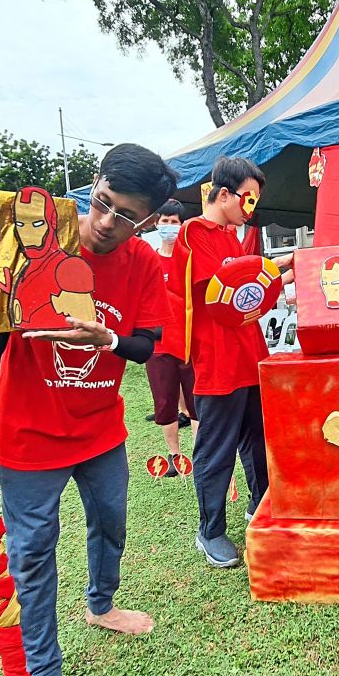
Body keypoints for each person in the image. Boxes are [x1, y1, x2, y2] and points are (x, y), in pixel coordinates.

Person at [0, 144, 177, 676]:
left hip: (101, 430)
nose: (107, 223)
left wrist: (107, 337)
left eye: (128, 216)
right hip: (29, 430)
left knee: (111, 522)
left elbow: (148, 343)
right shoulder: (37, 241)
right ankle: (44, 667)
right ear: (95, 182)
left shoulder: (145, 264)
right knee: (33, 552)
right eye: (103, 202)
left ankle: (101, 604)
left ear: (150, 220)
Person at [171, 156, 278, 569]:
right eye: (247, 200)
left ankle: (261, 503)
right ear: (224, 194)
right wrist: (265, 273)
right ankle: (210, 530)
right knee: (216, 449)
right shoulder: (193, 233)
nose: (250, 209)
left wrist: (270, 274)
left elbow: (248, 287)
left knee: (260, 436)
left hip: (250, 354)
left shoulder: (230, 236)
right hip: (217, 360)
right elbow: (224, 291)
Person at [146, 198, 197, 476]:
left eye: (174, 222)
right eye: (164, 221)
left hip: (188, 343)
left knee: (194, 401)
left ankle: (200, 453)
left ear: (181, 225)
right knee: (165, 403)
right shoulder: (148, 260)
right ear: (156, 224)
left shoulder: (189, 259)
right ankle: (175, 456)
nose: (169, 226)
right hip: (158, 346)